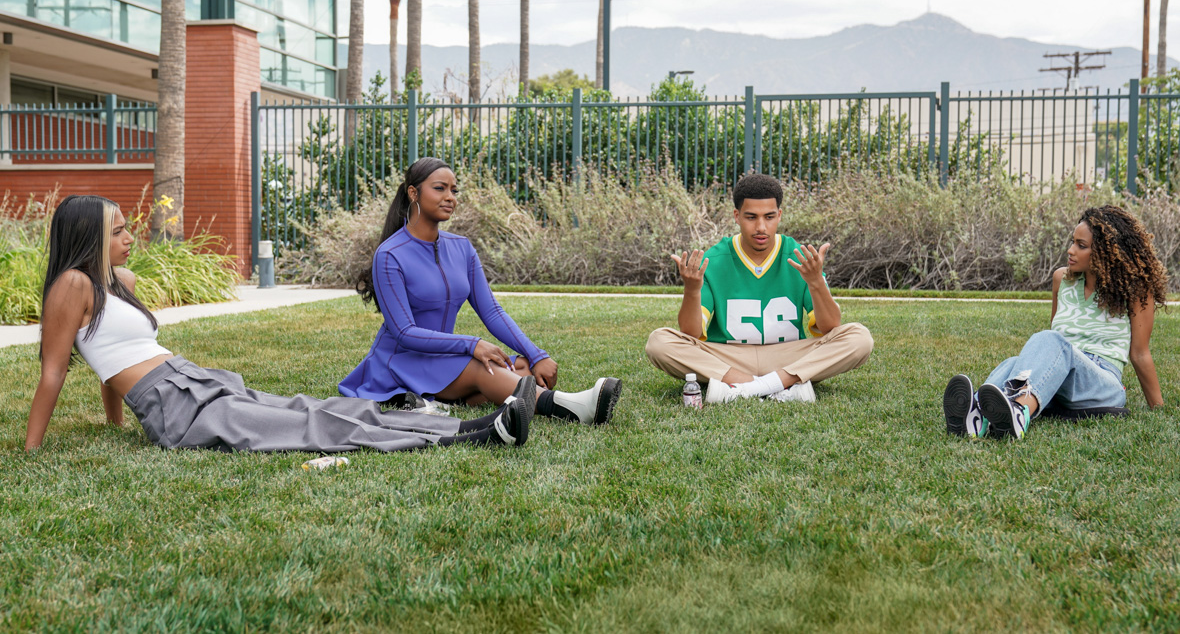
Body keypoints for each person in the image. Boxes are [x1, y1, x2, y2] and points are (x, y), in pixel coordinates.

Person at [24, 195, 532, 452]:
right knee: (306, 428)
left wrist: (113, 424)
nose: (129, 236)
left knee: (318, 406)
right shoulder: (70, 285)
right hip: (171, 408)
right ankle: (468, 438)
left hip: (192, 379)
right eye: (116, 232)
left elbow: (110, 355)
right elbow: (56, 370)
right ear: (88, 238)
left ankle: (474, 424)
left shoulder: (119, 279)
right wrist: (32, 450)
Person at [339, 158, 622, 426]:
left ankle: (459, 397)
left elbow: (491, 311)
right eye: (440, 188)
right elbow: (404, 332)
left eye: (454, 190)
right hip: (399, 364)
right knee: (482, 367)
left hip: (442, 360)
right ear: (413, 193)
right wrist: (471, 344)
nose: (450, 196)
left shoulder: (461, 247)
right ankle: (572, 408)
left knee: (520, 366)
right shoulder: (389, 254)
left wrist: (537, 355)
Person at [645, 173, 873, 403]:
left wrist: (815, 283)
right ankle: (779, 388)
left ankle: (745, 389)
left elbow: (830, 327)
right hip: (729, 357)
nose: (761, 227)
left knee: (859, 337)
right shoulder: (714, 259)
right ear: (737, 216)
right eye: (751, 217)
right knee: (659, 342)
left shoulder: (798, 256)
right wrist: (692, 290)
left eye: (769, 217)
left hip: (788, 356)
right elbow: (691, 334)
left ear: (780, 215)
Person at [943, 205, 1166, 439]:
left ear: (1104, 252)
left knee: (1049, 341)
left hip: (1101, 384)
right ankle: (976, 417)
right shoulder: (1062, 279)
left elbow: (1140, 354)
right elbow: (1051, 352)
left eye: (1081, 246)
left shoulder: (1135, 291)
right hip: (1059, 375)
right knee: (1016, 361)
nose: (1070, 251)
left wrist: (1158, 409)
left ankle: (1019, 413)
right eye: (1073, 242)